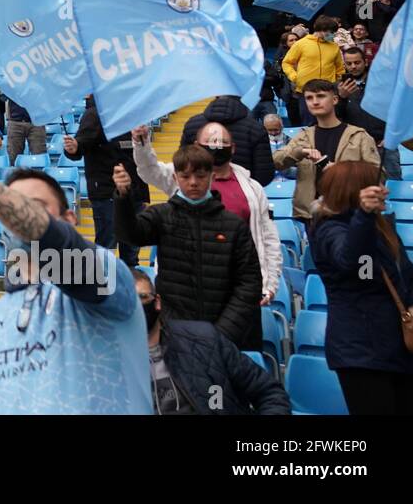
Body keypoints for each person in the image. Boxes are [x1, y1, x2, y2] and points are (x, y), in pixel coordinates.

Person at [0, 134, 150, 414]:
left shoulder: (106, 275)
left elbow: (61, 250)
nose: (14, 216)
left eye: (35, 206)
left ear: (69, 219)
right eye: (8, 207)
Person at [114, 145, 263, 350]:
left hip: (224, 338)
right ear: (175, 178)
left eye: (200, 176)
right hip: (176, 334)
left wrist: (223, 333)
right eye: (185, 176)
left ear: (211, 177)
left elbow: (249, 283)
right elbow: (130, 234)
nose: (193, 182)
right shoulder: (162, 215)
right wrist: (123, 197)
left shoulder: (233, 225)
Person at [132, 123, 282, 307]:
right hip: (187, 288)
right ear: (197, 145)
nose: (217, 147)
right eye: (210, 143)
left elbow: (268, 237)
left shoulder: (252, 187)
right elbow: (149, 169)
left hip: (239, 287)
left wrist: (270, 284)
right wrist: (141, 143)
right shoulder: (181, 176)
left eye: (222, 143)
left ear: (232, 148)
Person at [310, 161, 413, 413]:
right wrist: (363, 216)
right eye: (376, 184)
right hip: (362, 354)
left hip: (399, 348)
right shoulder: (328, 229)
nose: (383, 189)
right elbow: (353, 263)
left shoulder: (383, 226)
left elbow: (408, 275)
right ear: (354, 190)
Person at [133, 270, 291, 414]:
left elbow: (269, 392)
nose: (137, 307)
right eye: (130, 302)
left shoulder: (204, 339)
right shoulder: (110, 363)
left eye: (142, 297)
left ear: (157, 301)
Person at [272, 79, 381, 222]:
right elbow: (275, 161)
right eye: (309, 98)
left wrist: (341, 171)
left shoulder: (359, 136)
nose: (315, 102)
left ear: (335, 99)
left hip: (350, 213)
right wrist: (299, 152)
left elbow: (378, 174)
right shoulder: (304, 136)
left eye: (321, 96)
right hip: (311, 215)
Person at [64, 96, 148, 265]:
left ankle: (131, 287)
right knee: (106, 248)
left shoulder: (132, 111)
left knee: (131, 249)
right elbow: (80, 145)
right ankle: (101, 289)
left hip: (134, 190)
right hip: (107, 192)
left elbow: (141, 153)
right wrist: (74, 148)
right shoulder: (94, 115)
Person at [179, 95, 274, 186]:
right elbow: (264, 175)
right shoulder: (256, 129)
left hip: (199, 193)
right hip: (241, 194)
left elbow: (182, 162)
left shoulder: (192, 124)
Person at [338, 46, 400, 180]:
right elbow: (335, 118)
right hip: (354, 147)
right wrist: (342, 98)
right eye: (349, 64)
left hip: (383, 145)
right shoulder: (338, 88)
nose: (353, 67)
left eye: (357, 62)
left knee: (392, 185)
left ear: (365, 62)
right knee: (356, 189)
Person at [282, 16, 344, 125]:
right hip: (306, 91)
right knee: (309, 124)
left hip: (327, 91)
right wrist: (295, 77)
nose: (333, 35)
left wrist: (337, 83)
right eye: (332, 32)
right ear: (322, 30)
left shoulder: (334, 47)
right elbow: (286, 63)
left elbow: (340, 68)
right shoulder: (301, 44)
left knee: (329, 122)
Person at [3, 95, 47, 162]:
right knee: (13, 159)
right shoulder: (11, 84)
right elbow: (3, 96)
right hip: (15, 121)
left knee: (40, 158)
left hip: (37, 121)